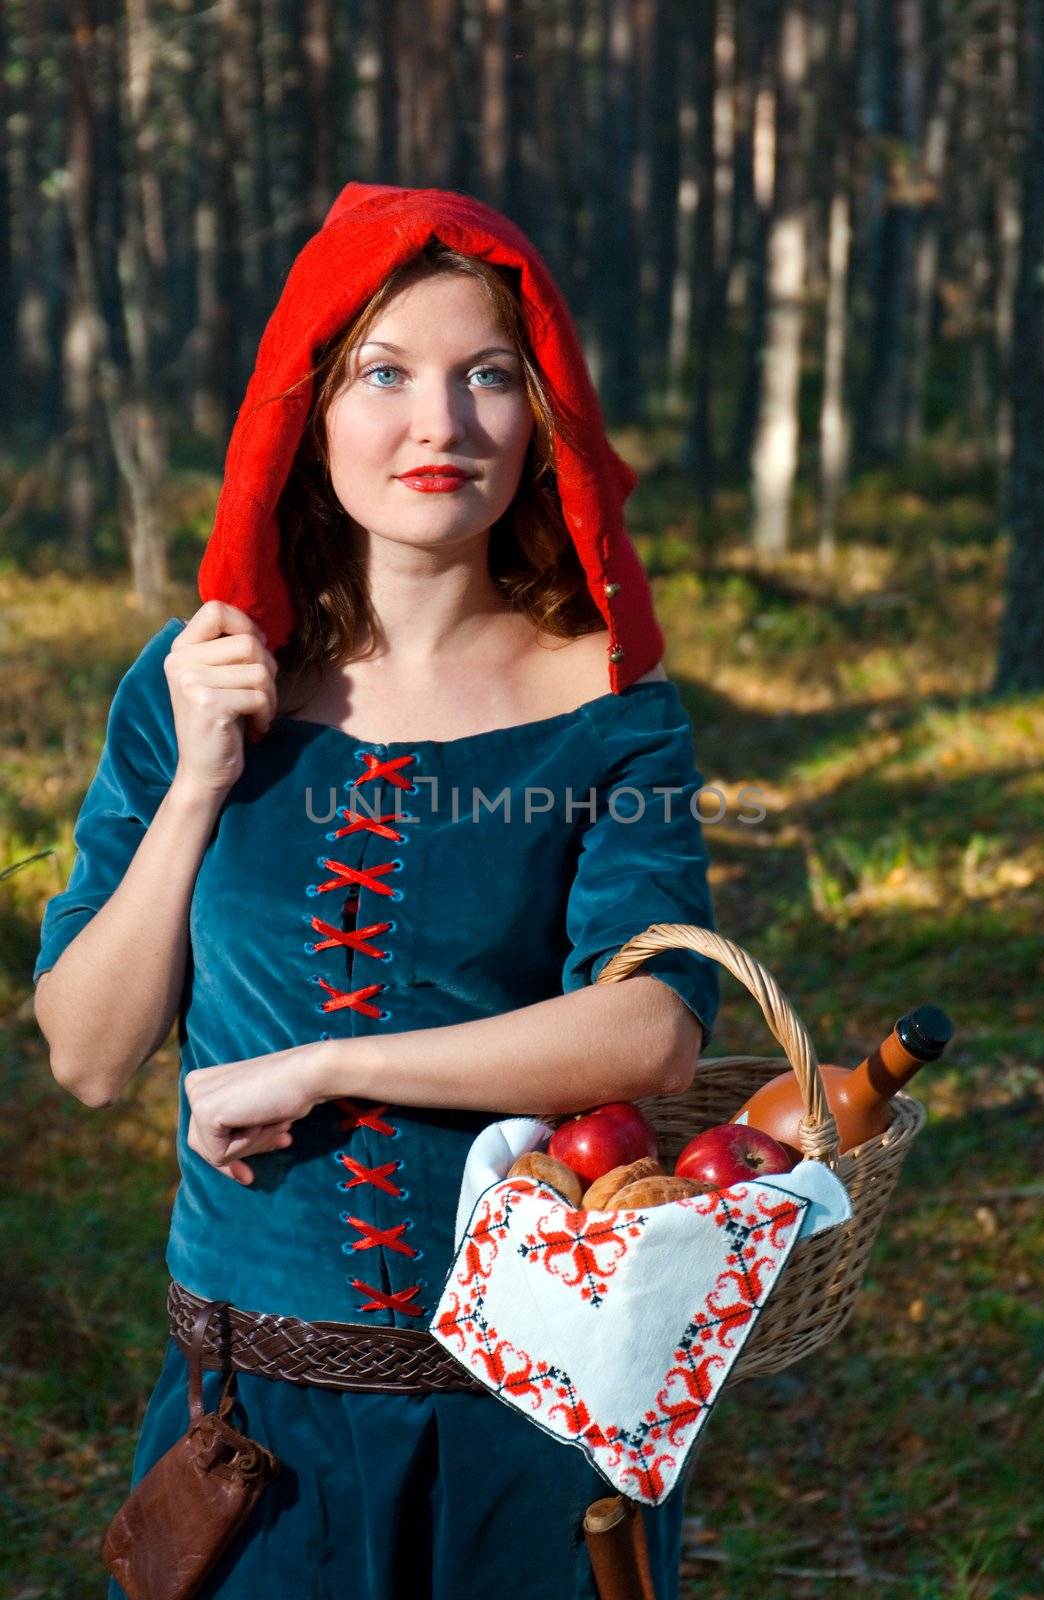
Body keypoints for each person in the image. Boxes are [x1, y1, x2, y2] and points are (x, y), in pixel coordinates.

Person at [33, 181, 721, 1600]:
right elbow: (91, 1056)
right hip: (253, 1435)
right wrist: (199, 779)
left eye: (487, 378)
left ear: (540, 420)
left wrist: (327, 1061)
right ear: (306, 410)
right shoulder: (192, 684)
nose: (441, 425)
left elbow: (655, 1027)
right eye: (384, 375)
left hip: (538, 1415)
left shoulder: (610, 703)